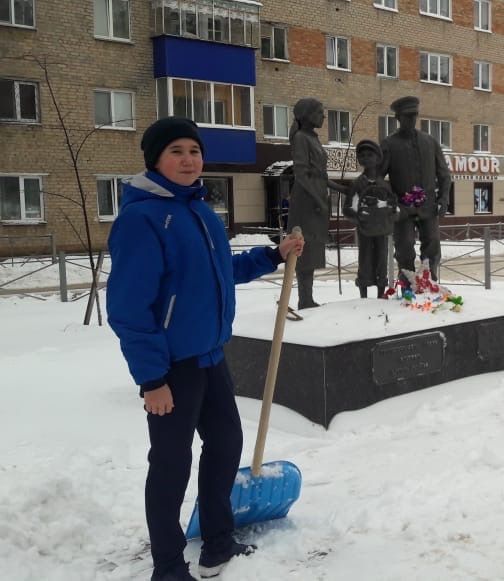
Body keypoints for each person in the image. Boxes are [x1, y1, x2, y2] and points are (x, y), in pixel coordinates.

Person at [106, 117, 305, 581]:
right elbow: (129, 310)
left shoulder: (199, 211)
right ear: (155, 159)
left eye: (194, 151)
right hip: (172, 368)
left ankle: (218, 540)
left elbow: (220, 273)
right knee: (171, 466)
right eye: (176, 151)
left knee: (225, 445)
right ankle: (169, 566)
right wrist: (152, 380)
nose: (188, 160)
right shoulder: (142, 219)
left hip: (211, 356)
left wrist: (274, 255)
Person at [379, 96, 452, 280]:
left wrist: (443, 199)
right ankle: (406, 280)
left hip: (428, 206)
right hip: (403, 208)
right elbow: (378, 178)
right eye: (407, 116)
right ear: (398, 118)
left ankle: (430, 278)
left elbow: (444, 174)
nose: (411, 120)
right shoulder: (389, 144)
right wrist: (391, 202)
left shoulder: (430, 142)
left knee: (433, 243)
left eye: (414, 115)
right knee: (404, 245)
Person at [288, 97, 347, 309]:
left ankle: (307, 297)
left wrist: (340, 188)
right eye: (320, 112)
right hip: (306, 202)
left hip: (315, 200)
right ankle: (304, 299)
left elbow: (319, 175)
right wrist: (318, 200)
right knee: (305, 248)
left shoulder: (312, 138)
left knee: (312, 248)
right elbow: (302, 174)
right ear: (307, 115)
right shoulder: (301, 138)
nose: (323, 116)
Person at [344, 139, 398, 298]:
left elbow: (393, 205)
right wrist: (358, 217)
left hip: (381, 230)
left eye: (370, 155)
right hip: (365, 230)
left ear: (378, 158)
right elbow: (347, 208)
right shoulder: (357, 183)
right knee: (365, 260)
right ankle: (364, 294)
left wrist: (391, 212)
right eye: (362, 155)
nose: (366, 158)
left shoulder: (385, 185)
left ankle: (381, 292)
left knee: (382, 260)